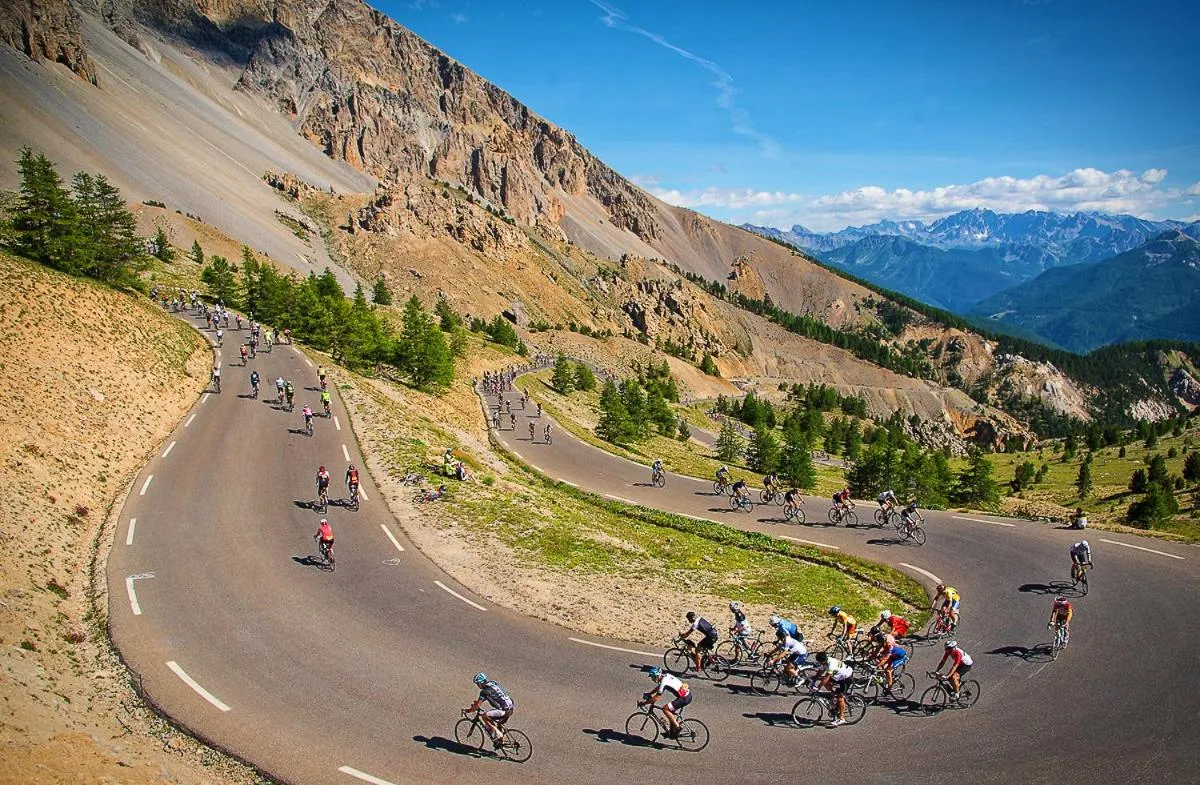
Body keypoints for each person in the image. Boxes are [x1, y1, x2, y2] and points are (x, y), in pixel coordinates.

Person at [466, 673, 515, 748]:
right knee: (497, 721)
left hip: (504, 710)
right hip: (510, 707)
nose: (477, 685)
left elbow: (477, 705)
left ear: (481, 683)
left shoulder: (484, 692)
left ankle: (498, 732)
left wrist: (469, 710)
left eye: (477, 684)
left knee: (485, 716)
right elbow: (496, 695)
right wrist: (477, 703)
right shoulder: (493, 683)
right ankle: (500, 742)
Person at [640, 666, 689, 739]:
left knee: (665, 709)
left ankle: (678, 727)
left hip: (684, 698)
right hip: (686, 695)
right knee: (670, 712)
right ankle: (672, 733)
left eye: (653, 677)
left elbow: (655, 699)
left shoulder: (664, 682)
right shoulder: (666, 675)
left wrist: (643, 703)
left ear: (657, 676)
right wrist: (650, 693)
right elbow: (659, 687)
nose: (652, 679)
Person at [813, 651, 855, 727]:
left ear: (823, 661)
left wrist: (818, 687)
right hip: (839, 676)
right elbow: (820, 672)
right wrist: (813, 681)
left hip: (846, 677)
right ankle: (833, 695)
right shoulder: (824, 662)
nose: (819, 663)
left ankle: (841, 719)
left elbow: (827, 677)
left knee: (840, 697)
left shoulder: (831, 664)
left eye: (820, 662)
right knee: (825, 681)